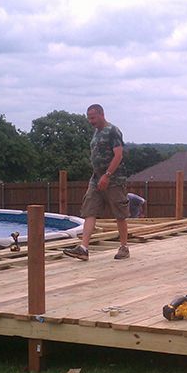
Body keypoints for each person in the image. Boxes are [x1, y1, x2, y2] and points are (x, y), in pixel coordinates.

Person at [63, 104, 129, 261]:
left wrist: (107, 175)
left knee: (119, 213)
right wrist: (99, 176)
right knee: (89, 211)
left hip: (114, 179)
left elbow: (118, 155)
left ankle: (124, 247)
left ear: (101, 114)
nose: (90, 121)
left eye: (92, 117)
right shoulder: (96, 133)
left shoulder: (113, 131)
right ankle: (83, 248)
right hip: (96, 179)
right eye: (88, 118)